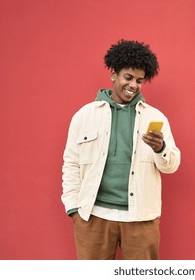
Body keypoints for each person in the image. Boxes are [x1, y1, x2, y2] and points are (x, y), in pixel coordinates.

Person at [61, 39, 181, 260]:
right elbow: (71, 163)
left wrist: (160, 148)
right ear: (113, 74)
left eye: (139, 80)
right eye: (128, 77)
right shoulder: (85, 115)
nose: (133, 85)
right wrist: (73, 209)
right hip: (93, 216)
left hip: (141, 218)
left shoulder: (155, 117)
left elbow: (171, 165)